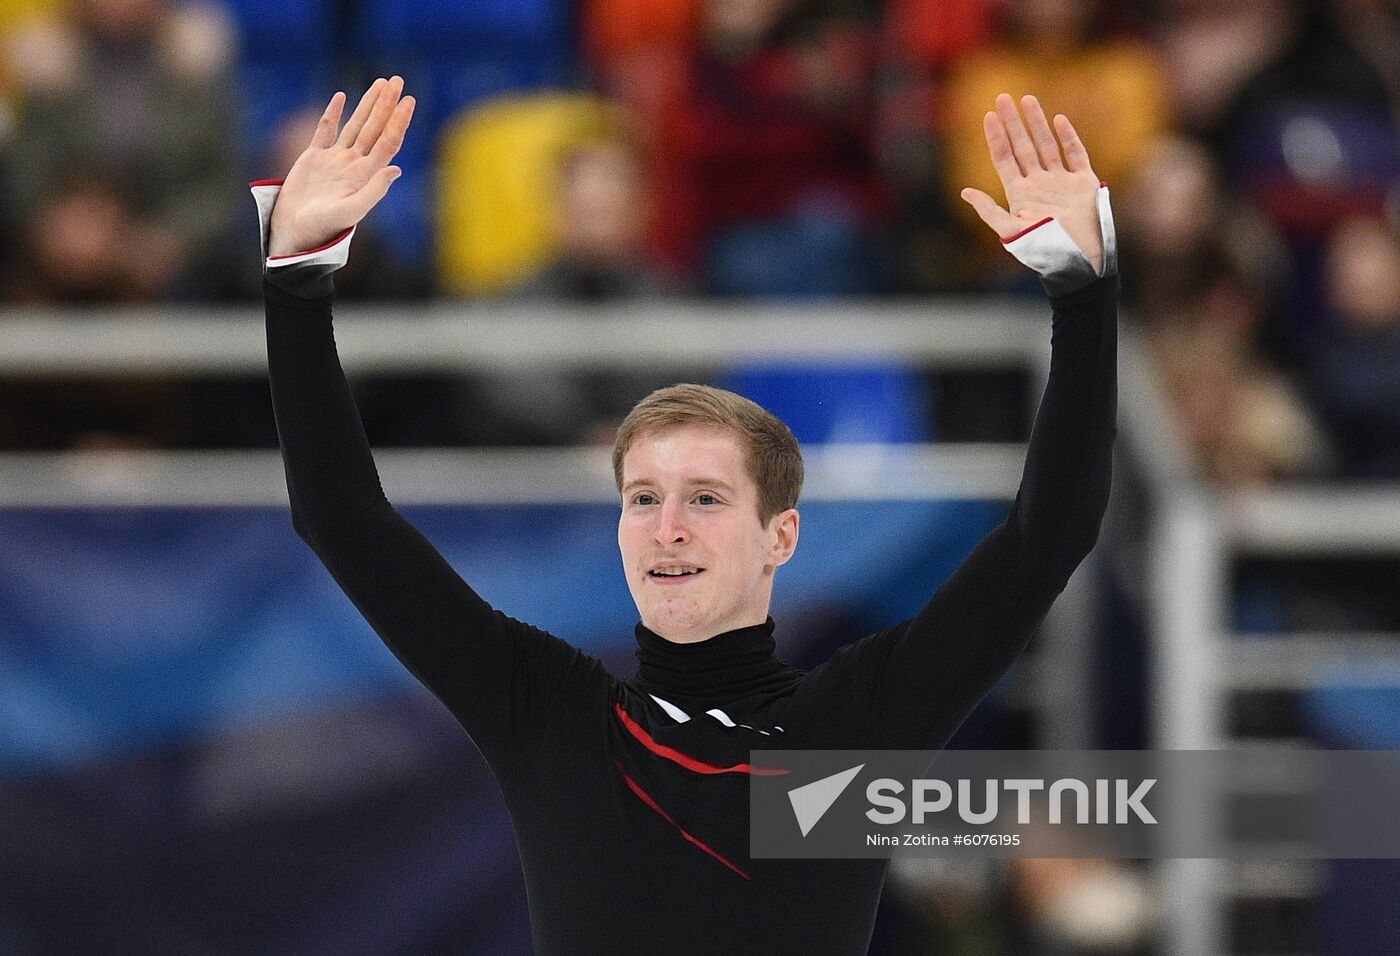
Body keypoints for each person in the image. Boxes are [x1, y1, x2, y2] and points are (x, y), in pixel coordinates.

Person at [253, 76, 1117, 955]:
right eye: (643, 499)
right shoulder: (548, 717)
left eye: (706, 498)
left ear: (781, 534)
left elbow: (1052, 532)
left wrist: (1083, 295)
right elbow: (340, 516)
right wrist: (296, 277)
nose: (668, 526)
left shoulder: (850, 731)